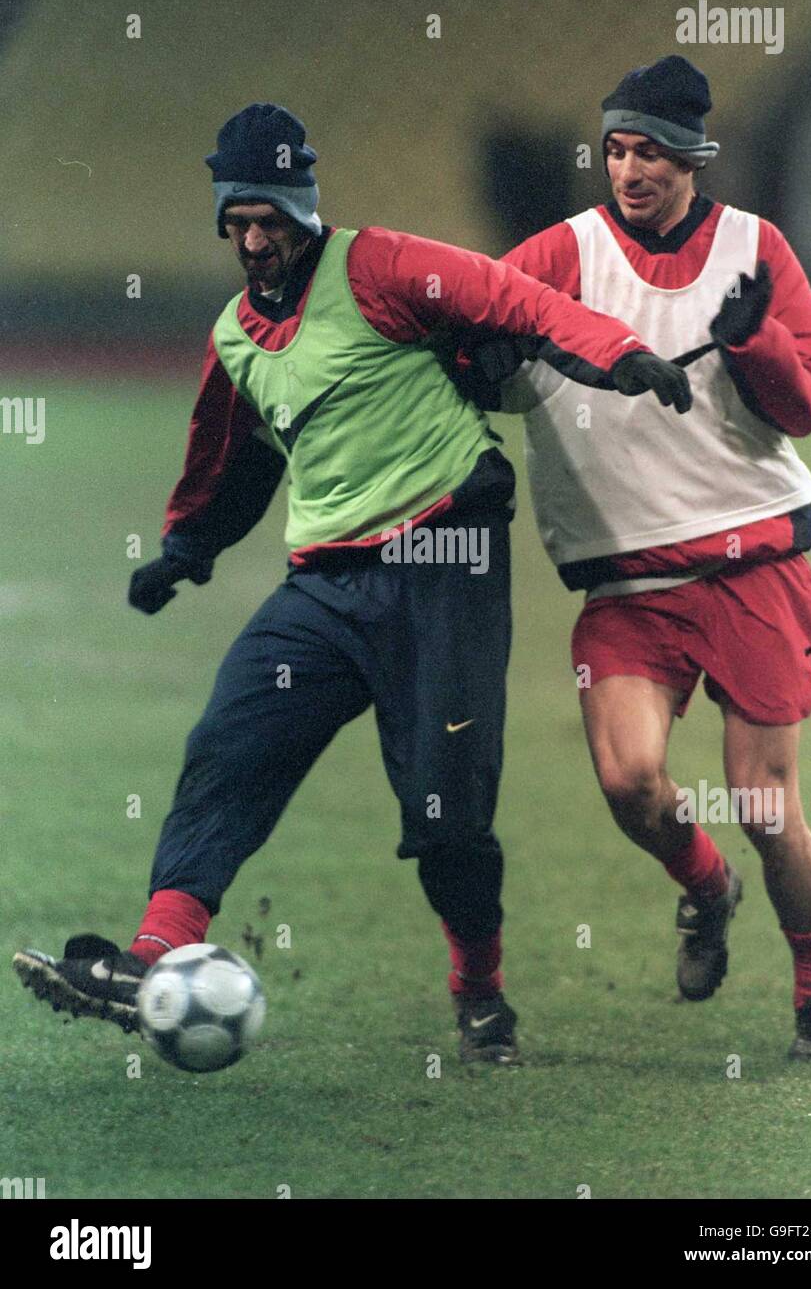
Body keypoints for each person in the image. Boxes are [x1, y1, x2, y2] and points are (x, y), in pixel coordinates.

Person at [13, 102, 692, 1065]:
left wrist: (619, 356)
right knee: (228, 746)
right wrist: (183, 551)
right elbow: (230, 461)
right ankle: (156, 957)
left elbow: (517, 303)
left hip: (443, 565)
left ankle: (481, 993)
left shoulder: (379, 266)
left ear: (305, 212)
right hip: (326, 591)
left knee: (446, 817)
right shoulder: (237, 340)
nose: (258, 242)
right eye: (241, 224)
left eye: (275, 223)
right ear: (224, 222)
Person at [492, 56, 811, 1060]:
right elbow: (480, 313)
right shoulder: (561, 252)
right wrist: (466, 353)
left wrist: (755, 345)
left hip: (750, 569)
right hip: (627, 585)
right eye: (614, 148)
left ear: (690, 157)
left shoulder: (754, 247)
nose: (628, 167)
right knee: (628, 782)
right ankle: (703, 885)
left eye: (648, 149)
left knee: (763, 803)